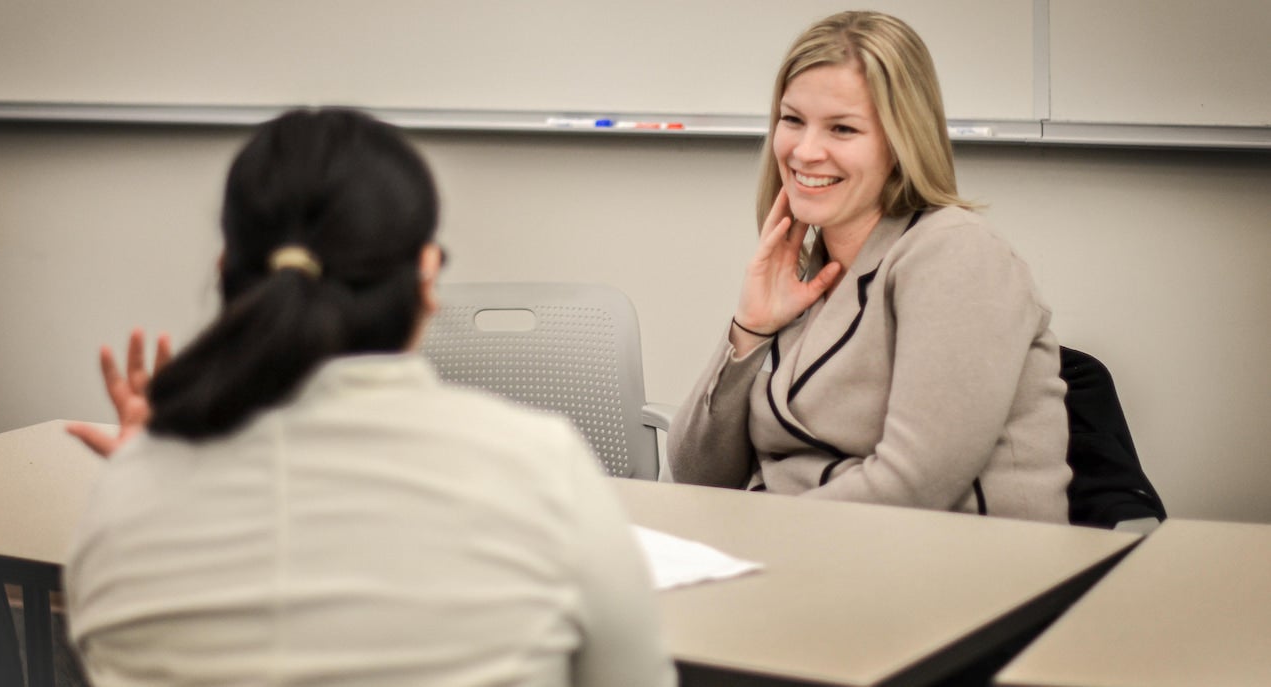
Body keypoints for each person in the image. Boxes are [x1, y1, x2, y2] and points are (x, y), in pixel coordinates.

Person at [63, 108, 675, 687]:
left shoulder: (124, 499)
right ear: (427, 277)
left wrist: (152, 474)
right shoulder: (544, 469)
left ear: (227, 270)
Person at [667, 11, 1071, 522]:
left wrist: (758, 537)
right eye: (792, 120)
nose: (805, 151)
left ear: (902, 143)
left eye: (842, 128)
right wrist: (749, 330)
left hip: (948, 568)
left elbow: (913, 487)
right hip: (820, 553)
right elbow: (699, 475)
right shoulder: (812, 268)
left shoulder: (956, 255)